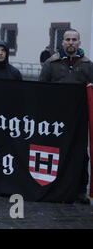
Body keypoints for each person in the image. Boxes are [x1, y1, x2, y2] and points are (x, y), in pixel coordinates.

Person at [39, 29, 92, 204]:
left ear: (79, 43)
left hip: (80, 121)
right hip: (56, 121)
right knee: (57, 154)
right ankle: (55, 189)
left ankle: (80, 191)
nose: (71, 42)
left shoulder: (88, 65)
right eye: (67, 39)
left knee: (81, 155)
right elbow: (41, 90)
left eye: (74, 39)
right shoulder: (50, 64)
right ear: (62, 42)